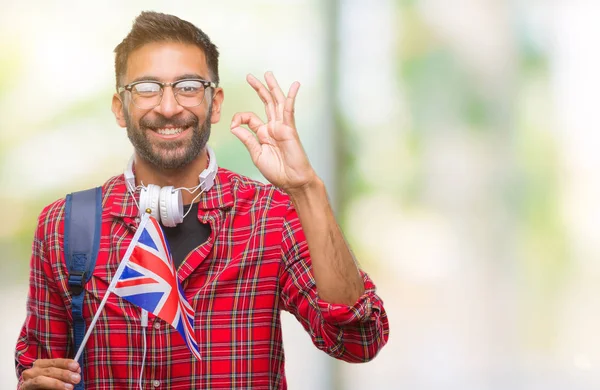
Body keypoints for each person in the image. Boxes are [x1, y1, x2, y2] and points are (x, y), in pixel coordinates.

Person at [15, 11, 389, 390]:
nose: (168, 107)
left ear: (214, 103)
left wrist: (307, 188)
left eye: (188, 86)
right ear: (119, 108)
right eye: (146, 88)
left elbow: (359, 342)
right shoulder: (65, 225)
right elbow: (39, 369)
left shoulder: (271, 216)